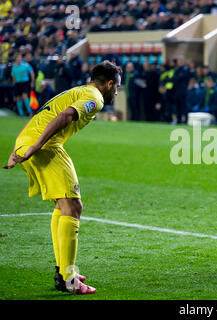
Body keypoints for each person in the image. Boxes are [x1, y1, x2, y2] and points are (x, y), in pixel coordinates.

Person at [3, 60, 122, 295]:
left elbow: (41, 114)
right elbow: (66, 115)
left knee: (62, 204)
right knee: (73, 206)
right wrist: (37, 145)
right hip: (45, 146)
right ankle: (68, 278)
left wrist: (17, 147)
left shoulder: (76, 90)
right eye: (117, 87)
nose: (117, 92)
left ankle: (64, 273)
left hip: (26, 142)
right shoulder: (95, 99)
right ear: (109, 84)